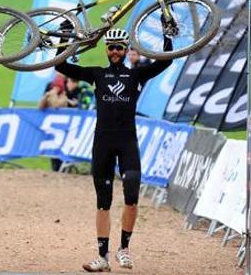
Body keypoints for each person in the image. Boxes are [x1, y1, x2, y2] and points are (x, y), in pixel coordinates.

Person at [55, 28, 173, 272]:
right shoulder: (96, 74)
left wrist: (167, 32)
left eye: (120, 47)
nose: (116, 51)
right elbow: (62, 66)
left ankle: (124, 249)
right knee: (103, 203)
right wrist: (65, 36)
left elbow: (167, 59)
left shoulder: (137, 75)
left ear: (126, 48)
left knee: (131, 196)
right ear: (106, 50)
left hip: (127, 141)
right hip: (103, 143)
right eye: (111, 47)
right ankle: (102, 257)